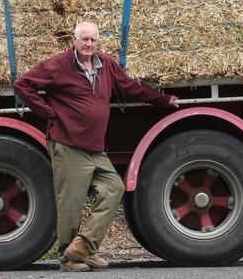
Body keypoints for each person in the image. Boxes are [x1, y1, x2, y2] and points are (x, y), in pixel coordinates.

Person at [13, 21, 179, 272]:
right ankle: (68, 259)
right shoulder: (59, 65)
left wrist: (163, 100)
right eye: (84, 39)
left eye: (93, 40)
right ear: (75, 41)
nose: (89, 44)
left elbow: (130, 88)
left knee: (114, 188)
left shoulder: (106, 65)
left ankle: (84, 246)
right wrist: (49, 113)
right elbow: (23, 85)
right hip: (68, 144)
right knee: (72, 204)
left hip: (95, 147)